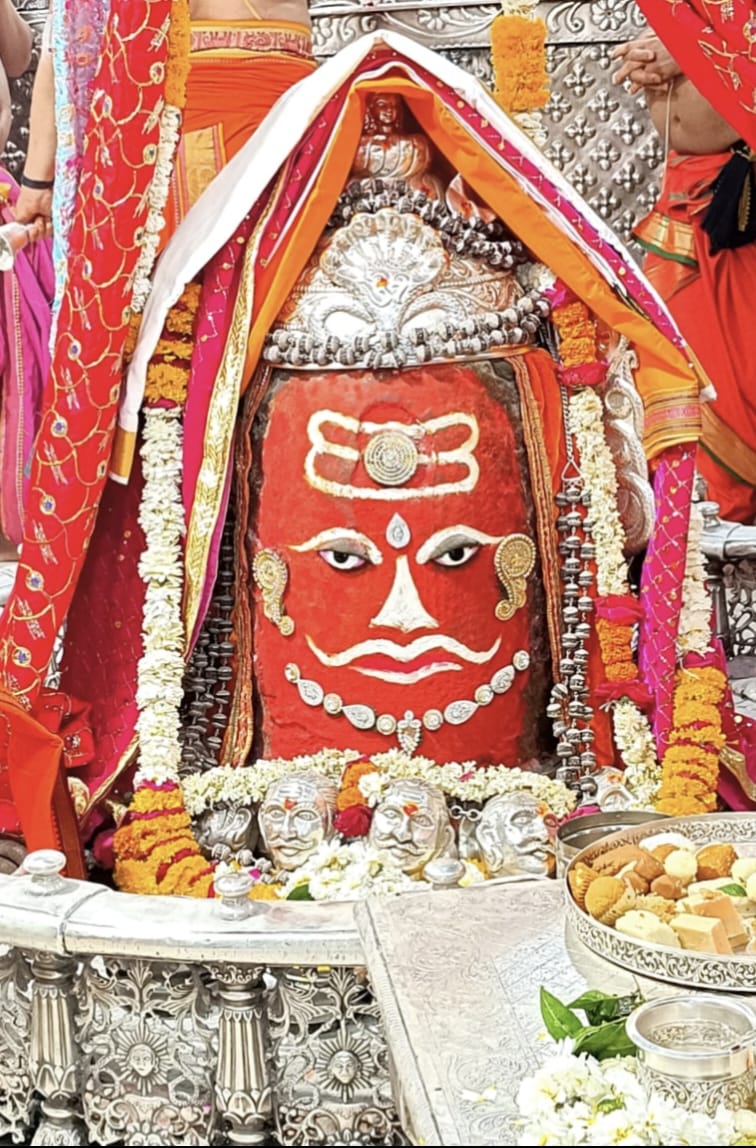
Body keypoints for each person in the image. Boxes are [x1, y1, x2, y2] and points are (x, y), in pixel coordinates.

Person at [14, 0, 315, 243]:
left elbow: (68, 39)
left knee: (184, 303)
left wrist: (37, 182)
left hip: (194, 126)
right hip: (303, 113)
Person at [612, 29, 756, 522]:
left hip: (740, 208)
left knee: (742, 374)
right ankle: (698, 534)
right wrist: (656, 52)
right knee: (678, 365)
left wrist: (689, 53)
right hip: (685, 193)